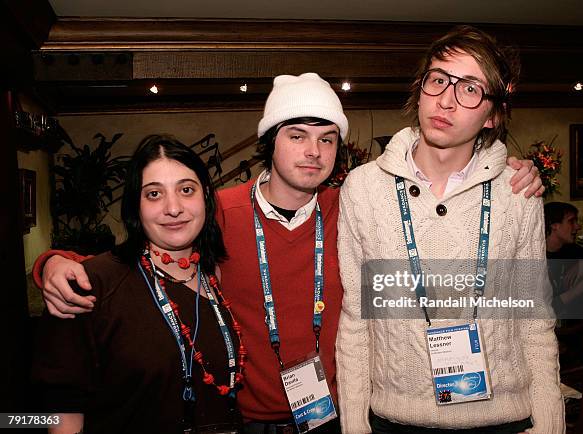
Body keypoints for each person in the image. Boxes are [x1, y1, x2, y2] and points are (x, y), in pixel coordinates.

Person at [32, 73, 543, 432]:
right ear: (269, 143)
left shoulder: (358, 207)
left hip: (342, 414)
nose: (312, 152)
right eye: (296, 136)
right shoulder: (219, 212)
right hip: (244, 418)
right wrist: (55, 264)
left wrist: (502, 173)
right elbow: (150, 247)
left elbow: (437, 228)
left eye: (326, 139)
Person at [335, 25, 564, 433]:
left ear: (493, 114)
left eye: (470, 88)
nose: (446, 100)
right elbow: (357, 319)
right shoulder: (364, 188)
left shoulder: (517, 193)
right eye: (438, 80)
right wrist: (354, 424)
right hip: (394, 418)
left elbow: (534, 319)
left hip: (502, 418)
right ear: (420, 90)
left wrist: (550, 422)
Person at [32, 135, 244, 433]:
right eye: (154, 194)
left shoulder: (214, 276)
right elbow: (61, 408)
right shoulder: (89, 284)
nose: (173, 208)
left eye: (186, 190)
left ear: (206, 195)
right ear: (136, 205)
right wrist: (51, 262)